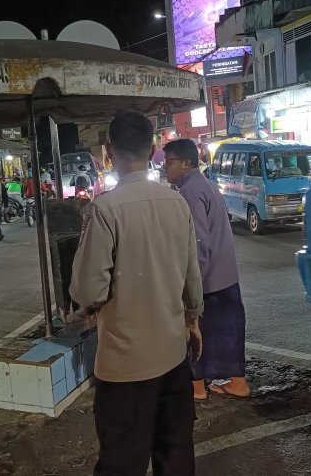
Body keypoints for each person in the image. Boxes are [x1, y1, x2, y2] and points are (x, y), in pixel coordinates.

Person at [70, 110, 204, 476]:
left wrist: (85, 307)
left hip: (124, 367)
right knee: (175, 457)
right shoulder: (176, 201)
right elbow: (193, 277)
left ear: (110, 150)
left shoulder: (105, 209)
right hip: (173, 356)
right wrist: (192, 321)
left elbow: (87, 291)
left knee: (122, 463)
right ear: (153, 149)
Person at [164, 139, 251, 401]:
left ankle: (197, 388)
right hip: (225, 277)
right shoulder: (205, 184)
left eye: (169, 163)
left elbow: (198, 242)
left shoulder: (190, 191)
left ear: (186, 163)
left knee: (196, 333)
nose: (164, 169)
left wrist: (192, 284)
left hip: (207, 281)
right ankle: (238, 383)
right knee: (228, 331)